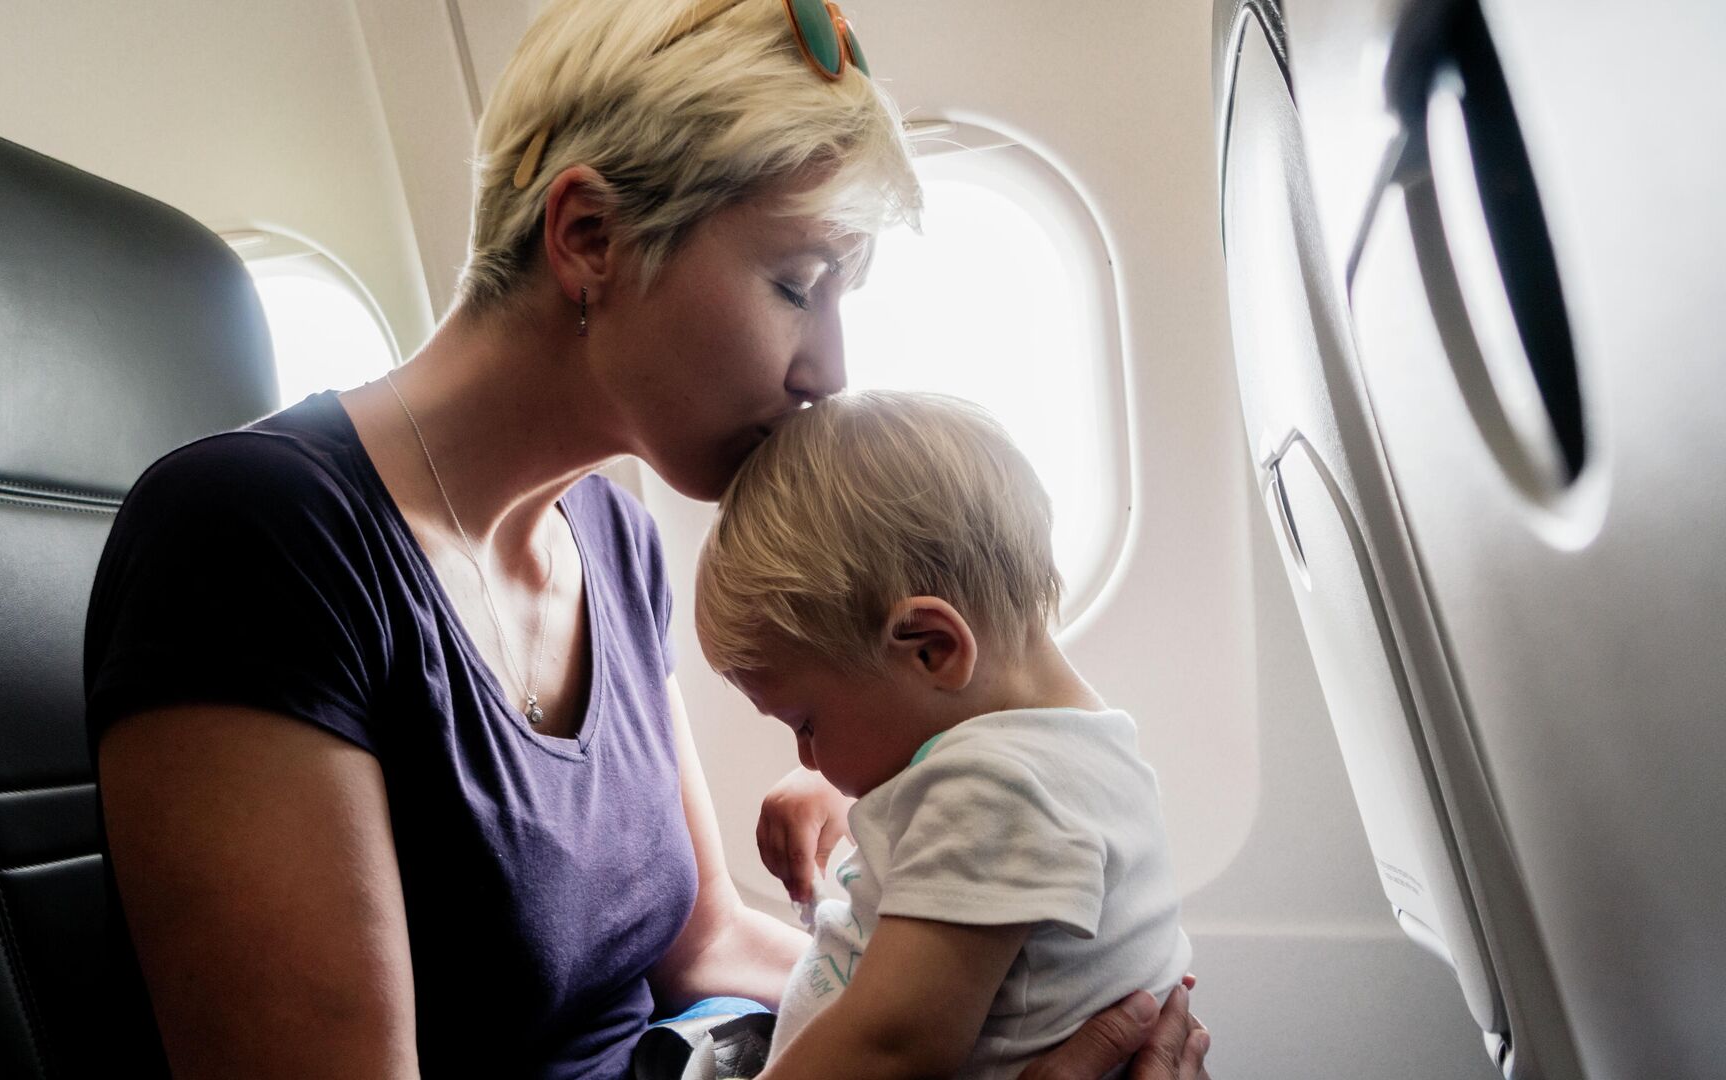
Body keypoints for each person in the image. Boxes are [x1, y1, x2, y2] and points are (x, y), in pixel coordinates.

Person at [83, 0, 1213, 1077]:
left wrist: (1019, 1026)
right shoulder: (254, 539)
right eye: (797, 285)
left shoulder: (615, 542)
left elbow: (704, 944)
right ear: (591, 237)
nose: (831, 370)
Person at [693, 391, 1193, 1079]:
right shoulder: (1077, 751)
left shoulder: (993, 789)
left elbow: (893, 1045)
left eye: (806, 724)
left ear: (932, 649)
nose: (805, 757)